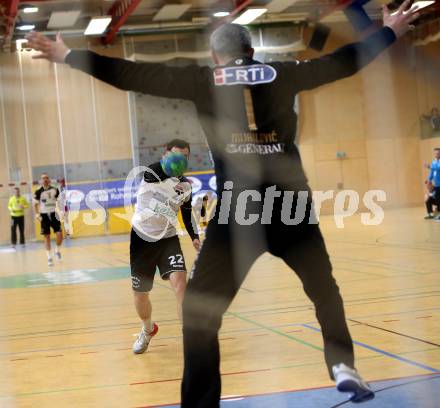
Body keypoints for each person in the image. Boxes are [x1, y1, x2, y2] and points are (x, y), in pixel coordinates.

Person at [25, 1, 419, 404]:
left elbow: (131, 74)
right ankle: (342, 365)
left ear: (216, 55)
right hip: (290, 206)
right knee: (323, 290)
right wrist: (388, 31)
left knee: (199, 313)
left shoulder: (204, 80)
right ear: (251, 50)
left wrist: (68, 55)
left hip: (238, 211)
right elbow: (344, 61)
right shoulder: (283, 73)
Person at [130, 139, 201, 354]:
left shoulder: (186, 185)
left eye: (185, 156)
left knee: (180, 284)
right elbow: (158, 171)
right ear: (166, 154)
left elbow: (187, 213)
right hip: (142, 240)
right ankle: (148, 329)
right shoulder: (151, 173)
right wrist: (170, 166)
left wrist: (194, 237)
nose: (181, 160)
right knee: (140, 295)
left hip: (168, 239)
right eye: (176, 155)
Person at [33, 173, 63, 266]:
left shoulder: (55, 189)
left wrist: (61, 211)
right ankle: (49, 257)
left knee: (59, 234)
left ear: (49, 180)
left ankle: (57, 250)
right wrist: (37, 214)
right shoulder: (38, 191)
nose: (45, 179)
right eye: (43, 178)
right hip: (44, 215)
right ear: (41, 180)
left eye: (46, 178)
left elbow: (60, 201)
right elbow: (35, 204)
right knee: (47, 236)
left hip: (54, 214)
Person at [425, 148, 440, 220]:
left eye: (438, 153)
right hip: (437, 185)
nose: (436, 155)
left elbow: (438, 168)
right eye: (435, 153)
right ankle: (430, 214)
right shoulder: (434, 162)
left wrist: (430, 166)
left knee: (439, 199)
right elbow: (432, 171)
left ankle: (439, 214)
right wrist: (429, 179)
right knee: (433, 199)